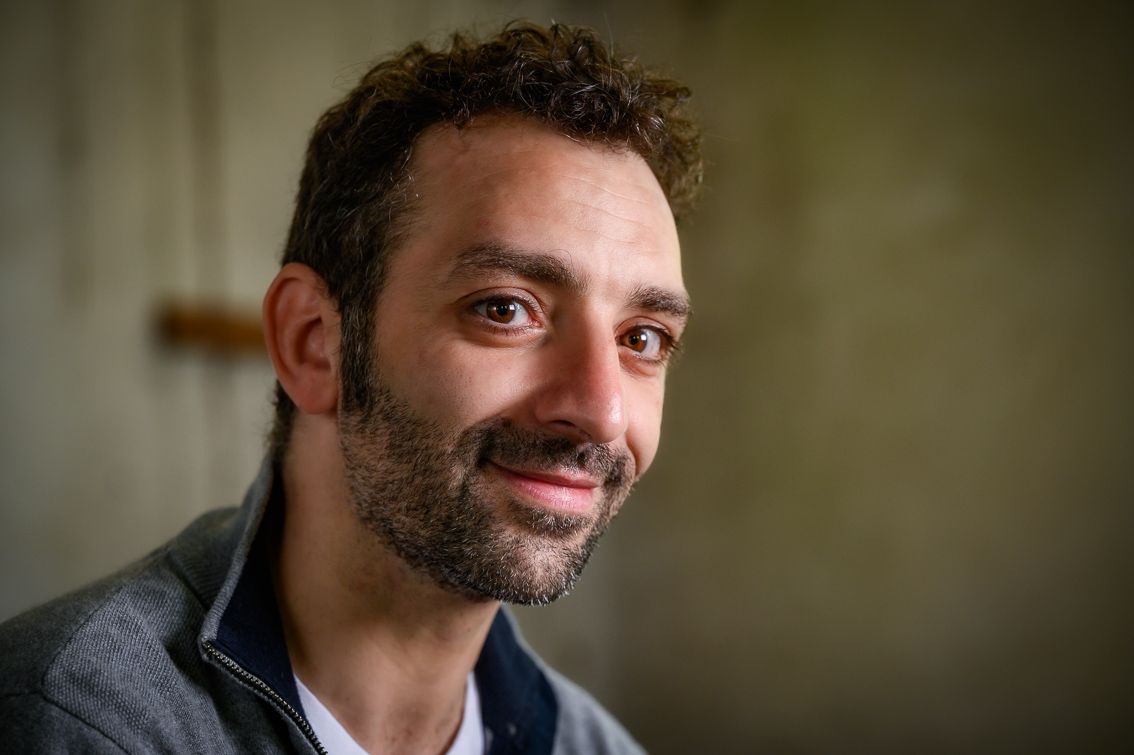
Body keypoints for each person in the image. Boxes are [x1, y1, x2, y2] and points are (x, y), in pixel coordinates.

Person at [0, 21, 701, 754]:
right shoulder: (70, 723)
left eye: (642, 339)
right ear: (314, 342)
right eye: (504, 309)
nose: (601, 411)